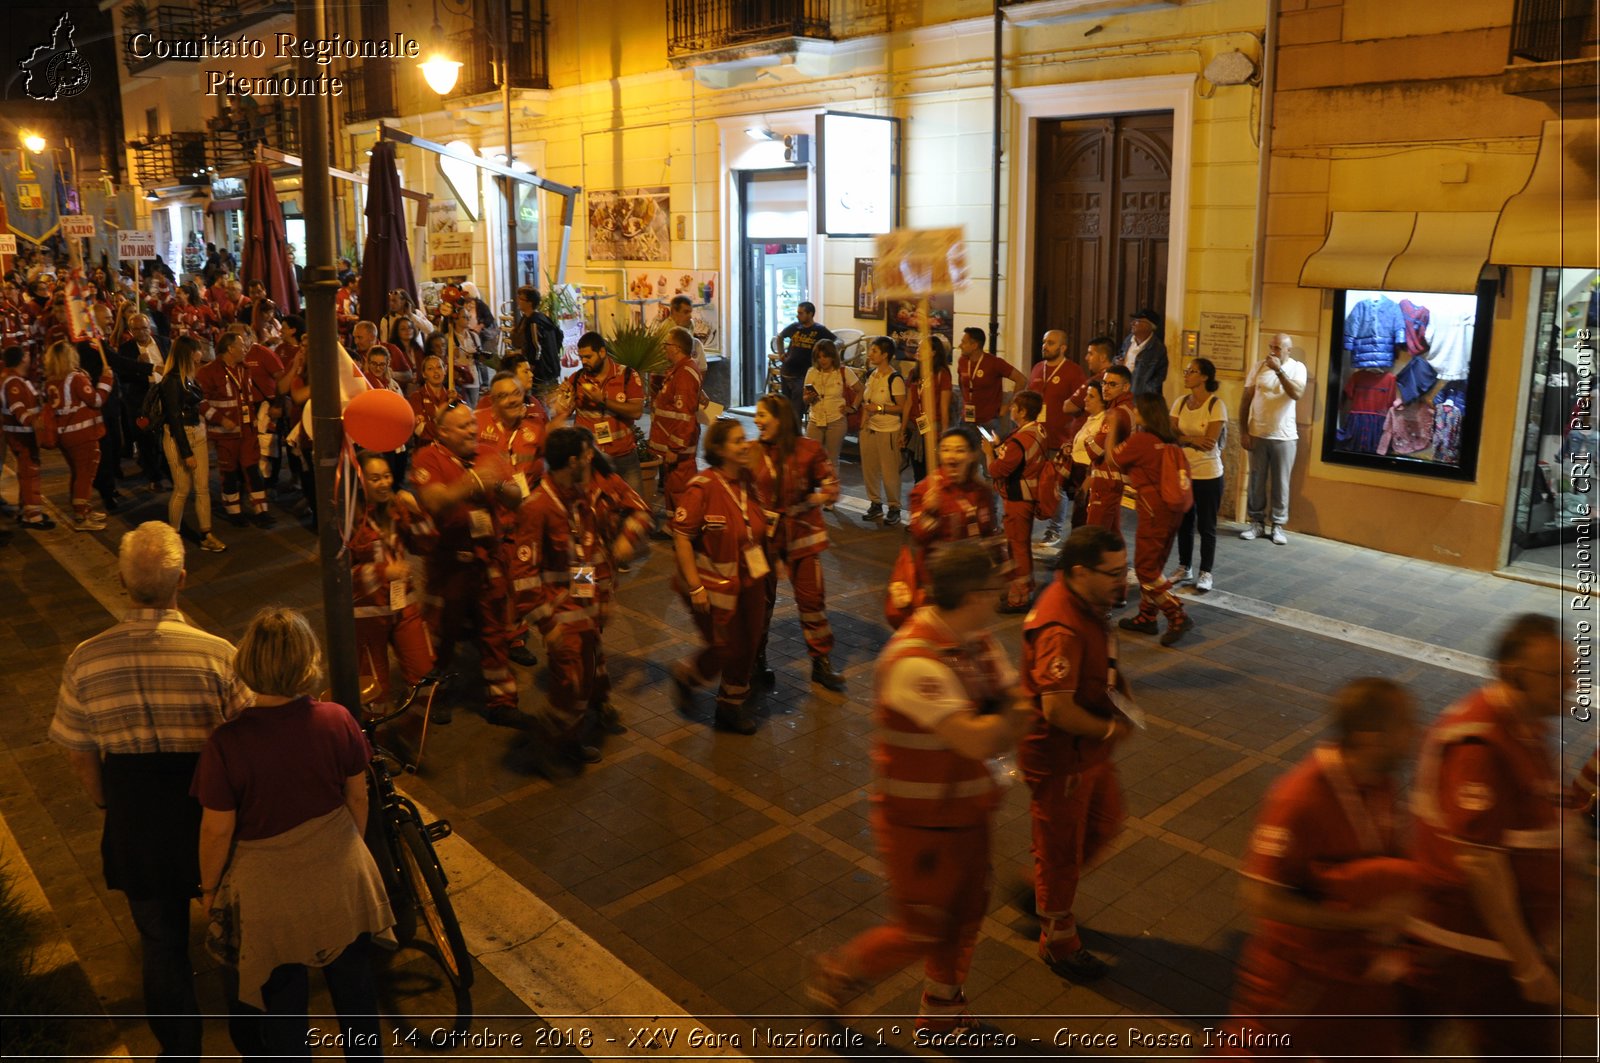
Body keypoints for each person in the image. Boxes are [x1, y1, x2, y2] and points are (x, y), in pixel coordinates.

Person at [807, 541, 1031, 1032]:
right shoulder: (915, 660)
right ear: (972, 594)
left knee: (966, 914)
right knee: (922, 928)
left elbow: (1010, 701)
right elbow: (979, 737)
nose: (1001, 599)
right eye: (994, 591)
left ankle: (942, 1010)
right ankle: (840, 975)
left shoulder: (975, 638)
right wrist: (1009, 715)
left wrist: (1006, 713)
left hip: (969, 815)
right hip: (922, 827)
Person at [48, 522, 250, 1061]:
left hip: (137, 818)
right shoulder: (218, 656)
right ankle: (252, 1042)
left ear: (121, 581)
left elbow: (78, 753)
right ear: (182, 578)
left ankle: (179, 1049)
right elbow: (249, 738)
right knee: (233, 937)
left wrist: (105, 802)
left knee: (161, 944)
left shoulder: (86, 659)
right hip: (211, 814)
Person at [194, 607, 392, 1058]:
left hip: (269, 893)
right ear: (308, 661)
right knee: (356, 992)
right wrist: (348, 847)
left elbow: (216, 830)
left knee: (282, 1002)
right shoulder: (337, 719)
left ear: (248, 664)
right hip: (341, 878)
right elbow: (357, 797)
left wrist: (209, 890)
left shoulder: (227, 743)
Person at [1224, 677, 1422, 1059]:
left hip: (1356, 972)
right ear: (1371, 738)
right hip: (1298, 978)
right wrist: (1364, 918)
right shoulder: (1300, 797)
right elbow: (1259, 897)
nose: (1418, 733)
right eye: (1407, 725)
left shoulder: (1379, 781)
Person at [1408, 613, 1570, 1059]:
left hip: (1488, 943)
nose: (1570, 685)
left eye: (1572, 671)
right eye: (1557, 674)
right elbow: (1481, 864)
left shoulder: (1528, 726)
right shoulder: (1480, 741)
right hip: (1472, 945)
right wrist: (1529, 964)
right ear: (1513, 674)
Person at [1021, 525, 1131, 982]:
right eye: (1113, 573)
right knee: (1061, 852)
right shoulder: (1060, 627)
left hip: (1087, 754)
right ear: (1080, 571)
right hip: (1063, 758)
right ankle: (1059, 941)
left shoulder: (1086, 601)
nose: (1122, 582)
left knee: (1105, 821)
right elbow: (1058, 708)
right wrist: (1108, 728)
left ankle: (1044, 896)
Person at [508, 427, 634, 766]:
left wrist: (597, 601)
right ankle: (550, 747)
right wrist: (547, 624)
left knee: (583, 680)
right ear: (573, 461)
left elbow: (583, 555)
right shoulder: (538, 508)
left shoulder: (577, 499)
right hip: (560, 615)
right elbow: (522, 576)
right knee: (570, 682)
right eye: (586, 453)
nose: (592, 458)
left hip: (582, 610)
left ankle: (565, 740)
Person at [412, 403, 531, 728]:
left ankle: (502, 701)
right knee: (440, 634)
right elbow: (434, 500)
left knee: (494, 630)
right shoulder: (427, 459)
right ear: (443, 432)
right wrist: (475, 480)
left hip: (487, 560)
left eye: (471, 424)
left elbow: (516, 495)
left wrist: (499, 486)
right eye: (462, 426)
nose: (471, 429)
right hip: (448, 564)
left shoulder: (489, 452)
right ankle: (435, 696)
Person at [669, 418, 771, 735]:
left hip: (750, 582)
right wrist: (696, 586)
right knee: (724, 647)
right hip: (712, 586)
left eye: (746, 439)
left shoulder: (747, 481)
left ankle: (730, 707)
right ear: (718, 449)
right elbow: (682, 536)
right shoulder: (703, 487)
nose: (745, 445)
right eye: (737, 441)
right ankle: (688, 676)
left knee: (749, 646)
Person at [750, 395, 846, 692]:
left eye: (763, 415)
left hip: (803, 538)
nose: (756, 421)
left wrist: (810, 500)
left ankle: (821, 662)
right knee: (759, 606)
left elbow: (831, 487)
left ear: (781, 419)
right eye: (756, 415)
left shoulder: (809, 449)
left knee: (811, 602)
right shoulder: (751, 452)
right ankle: (757, 661)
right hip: (763, 542)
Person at [350, 452, 436, 709]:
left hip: (404, 606)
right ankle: (375, 741)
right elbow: (338, 575)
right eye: (375, 478)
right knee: (373, 692)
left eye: (386, 476)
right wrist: (382, 573)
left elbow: (425, 545)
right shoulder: (346, 518)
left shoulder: (396, 508)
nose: (384, 483)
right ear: (360, 481)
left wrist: (418, 512)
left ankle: (414, 724)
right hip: (367, 615)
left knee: (424, 673)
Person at [1107, 393, 1193, 646]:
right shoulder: (1168, 440)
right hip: (1171, 510)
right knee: (1155, 566)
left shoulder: (1142, 440)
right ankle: (1147, 617)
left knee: (1145, 569)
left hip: (1153, 511)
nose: (1134, 412)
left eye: (1138, 409)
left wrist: (1112, 427)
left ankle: (1176, 613)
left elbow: (1113, 458)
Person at [477, 371, 548, 667]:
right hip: (488, 517)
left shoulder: (536, 428)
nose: (511, 400)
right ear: (492, 402)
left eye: (515, 394)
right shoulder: (477, 423)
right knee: (492, 582)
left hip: (521, 518)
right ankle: (490, 635)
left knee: (521, 579)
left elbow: (542, 472)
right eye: (503, 396)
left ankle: (517, 635)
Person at [892, 427, 998, 622]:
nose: (952, 456)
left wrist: (1006, 577)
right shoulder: (925, 490)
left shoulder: (982, 492)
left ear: (972, 455)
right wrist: (930, 512)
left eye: (959, 450)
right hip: (937, 588)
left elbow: (989, 537)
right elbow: (918, 536)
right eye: (947, 449)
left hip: (971, 588)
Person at [196, 330, 280, 528]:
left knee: (252, 469)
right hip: (225, 435)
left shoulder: (244, 369)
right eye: (241, 346)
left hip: (247, 430)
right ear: (230, 349)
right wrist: (220, 419)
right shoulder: (208, 372)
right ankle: (234, 511)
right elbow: (200, 402)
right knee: (230, 472)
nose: (245, 349)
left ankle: (261, 510)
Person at [549, 331, 645, 495]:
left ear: (602, 352)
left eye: (588, 357)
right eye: (581, 358)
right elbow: (560, 413)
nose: (584, 362)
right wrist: (562, 398)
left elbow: (636, 411)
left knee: (635, 505)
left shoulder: (627, 375)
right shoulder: (577, 378)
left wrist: (603, 400)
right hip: (591, 458)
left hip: (624, 456)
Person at [158, 336, 227, 553]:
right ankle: (172, 537)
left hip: (197, 432)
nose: (201, 358)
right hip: (180, 436)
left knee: (202, 488)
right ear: (188, 354)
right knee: (182, 488)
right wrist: (186, 452)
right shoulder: (171, 381)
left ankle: (206, 534)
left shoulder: (190, 377)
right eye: (197, 353)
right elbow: (174, 419)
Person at [982, 390, 1047, 613]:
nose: (1010, 409)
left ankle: (1019, 598)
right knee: (1022, 545)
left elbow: (997, 470)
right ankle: (1025, 587)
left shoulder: (1021, 439)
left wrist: (989, 452)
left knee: (1017, 547)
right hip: (1027, 496)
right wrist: (1002, 446)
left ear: (1023, 411)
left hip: (1018, 498)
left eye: (1014, 406)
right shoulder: (1036, 431)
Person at [1239, 333, 1305, 544]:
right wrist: (1243, 430)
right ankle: (1256, 522)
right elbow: (1246, 398)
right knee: (1256, 481)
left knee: (1281, 483)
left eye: (1277, 348)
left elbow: (1296, 393)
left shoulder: (1297, 368)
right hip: (1258, 432)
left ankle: (1278, 525)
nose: (1272, 351)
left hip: (1284, 436)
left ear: (1288, 350)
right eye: (1271, 347)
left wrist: (1279, 370)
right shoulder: (1258, 367)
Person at [43, 339, 114, 531]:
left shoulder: (51, 381)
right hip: (82, 434)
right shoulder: (74, 378)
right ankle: (81, 516)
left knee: (76, 473)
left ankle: (82, 509)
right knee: (85, 474)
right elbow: (97, 400)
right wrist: (107, 380)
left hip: (64, 435)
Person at [1169, 357, 1226, 593]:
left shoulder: (1215, 405)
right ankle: (1185, 566)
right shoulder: (1180, 403)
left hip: (1208, 473)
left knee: (1207, 525)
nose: (1186, 375)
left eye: (1192, 371)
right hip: (1184, 471)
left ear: (1204, 377)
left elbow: (1209, 442)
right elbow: (1170, 433)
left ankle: (1206, 571)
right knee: (1184, 522)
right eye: (1186, 371)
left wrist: (1184, 439)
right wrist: (1190, 439)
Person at [1049, 336, 1113, 543]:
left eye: (1090, 353)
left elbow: (1068, 406)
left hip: (1089, 471)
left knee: (1087, 519)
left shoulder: (1103, 418)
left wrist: (1087, 481)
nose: (1086, 358)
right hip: (1082, 468)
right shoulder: (1092, 418)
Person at [647, 326, 703, 534]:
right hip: (673, 445)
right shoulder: (677, 370)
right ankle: (674, 527)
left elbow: (684, 415)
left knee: (681, 489)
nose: (664, 348)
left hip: (679, 447)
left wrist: (675, 447)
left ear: (677, 348)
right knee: (672, 487)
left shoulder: (685, 373)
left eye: (667, 345)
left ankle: (686, 530)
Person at [114, 313, 170, 489]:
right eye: (136, 329)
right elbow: (122, 377)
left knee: (168, 436)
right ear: (131, 331)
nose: (142, 332)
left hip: (165, 396)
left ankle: (170, 471)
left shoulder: (164, 343)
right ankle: (154, 477)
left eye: (144, 328)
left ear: (150, 327)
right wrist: (139, 366)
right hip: (141, 400)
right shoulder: (126, 350)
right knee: (145, 439)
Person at [858, 336, 909, 526]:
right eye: (870, 350)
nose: (870, 354)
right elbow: (866, 402)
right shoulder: (872, 375)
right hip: (870, 430)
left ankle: (894, 507)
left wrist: (880, 409)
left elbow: (901, 407)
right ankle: (875, 503)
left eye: (874, 351)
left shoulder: (894, 379)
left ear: (885, 355)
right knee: (869, 470)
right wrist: (863, 423)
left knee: (889, 472)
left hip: (888, 430)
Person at [2, 345, 54, 529]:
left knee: (27, 471)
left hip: (24, 435)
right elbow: (18, 409)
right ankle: (33, 517)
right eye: (26, 354)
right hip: (22, 436)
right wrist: (32, 422)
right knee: (29, 472)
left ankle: (26, 510)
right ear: (22, 358)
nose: (29, 356)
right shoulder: (14, 383)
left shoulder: (19, 380)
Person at [800, 339, 858, 479]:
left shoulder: (843, 372)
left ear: (833, 356)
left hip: (836, 420)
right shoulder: (812, 372)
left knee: (832, 459)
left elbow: (860, 390)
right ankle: (813, 492)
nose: (822, 360)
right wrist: (809, 398)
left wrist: (853, 407)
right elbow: (805, 398)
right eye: (819, 357)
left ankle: (831, 495)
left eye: (825, 356)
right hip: (815, 419)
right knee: (811, 457)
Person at [955, 326, 1025, 437]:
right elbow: (962, 384)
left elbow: (1021, 380)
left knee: (986, 453)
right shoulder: (962, 361)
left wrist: (1010, 405)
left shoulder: (994, 363)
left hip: (987, 423)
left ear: (974, 346)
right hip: (966, 420)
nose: (959, 346)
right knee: (965, 452)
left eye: (964, 342)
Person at [903, 334, 954, 483]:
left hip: (933, 431)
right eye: (918, 347)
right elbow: (909, 403)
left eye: (922, 348)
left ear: (933, 353)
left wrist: (944, 436)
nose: (917, 350)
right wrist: (902, 430)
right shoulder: (914, 373)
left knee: (932, 473)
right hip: (915, 430)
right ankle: (920, 502)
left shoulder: (941, 374)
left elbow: (944, 408)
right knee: (917, 473)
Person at [1064, 380, 1106, 535]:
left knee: (1082, 523)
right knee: (1078, 521)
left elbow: (1097, 457)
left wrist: (1085, 486)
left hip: (1088, 480)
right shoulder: (1091, 419)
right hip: (1078, 478)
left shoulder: (1103, 422)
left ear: (1103, 401)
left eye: (1091, 396)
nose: (1085, 399)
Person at [776, 301, 835, 412]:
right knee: (785, 409)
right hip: (786, 372)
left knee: (797, 410)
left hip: (802, 376)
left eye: (801, 313)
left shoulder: (819, 330)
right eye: (797, 313)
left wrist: (830, 352)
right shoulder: (795, 327)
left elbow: (837, 340)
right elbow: (780, 337)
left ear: (810, 314)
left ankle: (796, 428)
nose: (797, 316)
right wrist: (781, 354)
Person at [1119, 307, 1167, 399]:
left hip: (1140, 398)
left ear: (1149, 326)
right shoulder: (1129, 340)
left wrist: (1147, 392)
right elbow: (1119, 355)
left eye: (1137, 321)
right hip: (1123, 393)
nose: (1132, 323)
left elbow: (1159, 377)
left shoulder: (1157, 348)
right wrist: (1118, 361)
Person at [408, 353, 454, 448]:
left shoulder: (453, 397)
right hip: (426, 451)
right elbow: (420, 430)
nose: (436, 371)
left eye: (439, 367)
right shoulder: (416, 397)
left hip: (450, 450)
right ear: (424, 374)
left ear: (445, 370)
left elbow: (460, 426)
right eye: (430, 369)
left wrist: (453, 403)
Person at [667, 294, 708, 374]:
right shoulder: (665, 331)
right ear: (674, 312)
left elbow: (702, 369)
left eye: (690, 312)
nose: (690, 316)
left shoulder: (690, 325)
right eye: (686, 312)